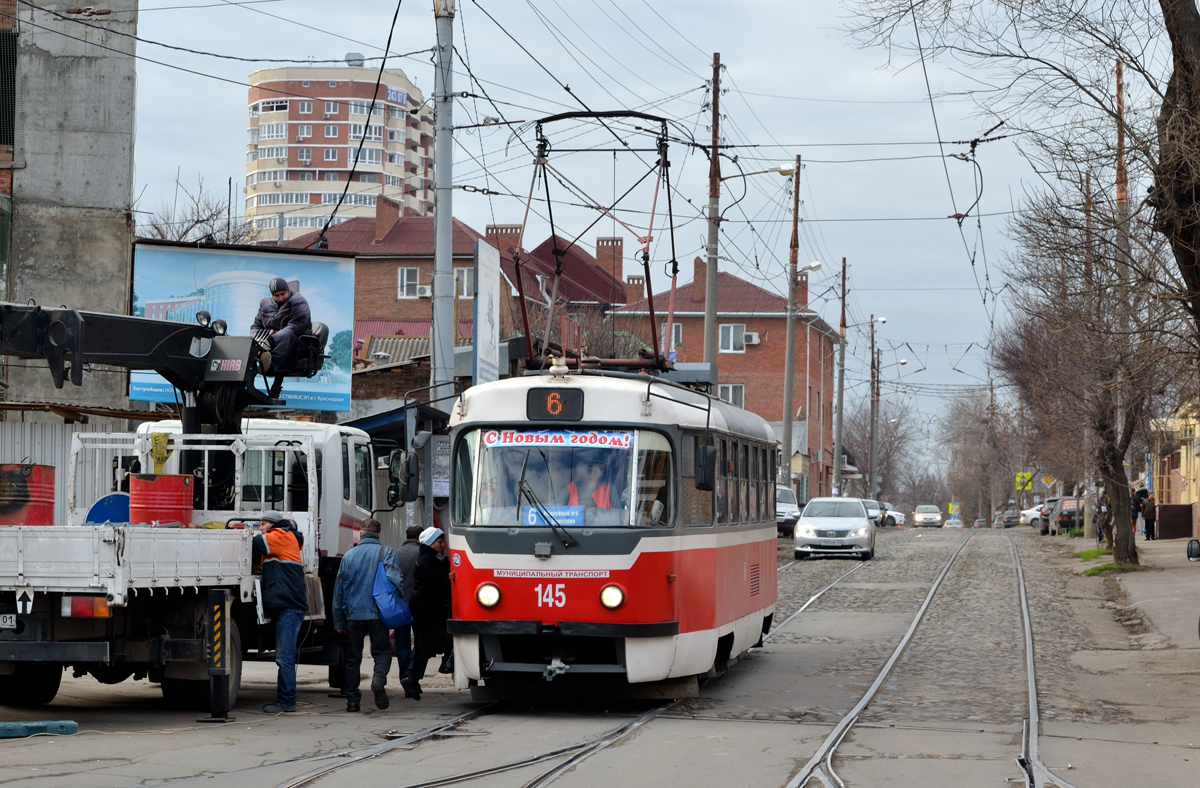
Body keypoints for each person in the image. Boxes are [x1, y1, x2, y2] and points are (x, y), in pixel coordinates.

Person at [332, 517, 403, 712]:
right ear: (379, 534)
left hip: (353, 615)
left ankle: (353, 702)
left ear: (360, 534)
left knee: (353, 659)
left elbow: (339, 591)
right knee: (382, 652)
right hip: (378, 614)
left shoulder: (349, 556)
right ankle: (378, 679)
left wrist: (339, 621)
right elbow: (396, 581)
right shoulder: (385, 552)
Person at [251, 511, 307, 714]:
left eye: (263, 523)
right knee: (285, 656)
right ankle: (286, 699)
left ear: (273, 525)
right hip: (289, 604)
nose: (260, 527)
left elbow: (256, 543)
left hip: (289, 605)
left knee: (285, 657)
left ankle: (287, 700)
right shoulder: (286, 536)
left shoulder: (281, 536)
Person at [402, 526, 451, 700]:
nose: (442, 545)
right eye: (439, 542)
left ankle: (412, 679)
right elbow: (439, 586)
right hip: (428, 610)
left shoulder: (426, 558)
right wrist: (447, 571)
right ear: (431, 543)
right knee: (443, 640)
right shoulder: (429, 561)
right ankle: (446, 663)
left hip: (423, 608)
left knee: (424, 646)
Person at [250, 276, 311, 374]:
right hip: (273, 343)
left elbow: (296, 327)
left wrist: (271, 340)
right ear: (271, 295)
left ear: (288, 291)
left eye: (283, 294)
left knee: (290, 337)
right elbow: (256, 326)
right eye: (276, 295)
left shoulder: (299, 302)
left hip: (300, 343)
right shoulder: (265, 305)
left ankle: (269, 366)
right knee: (250, 342)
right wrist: (256, 339)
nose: (280, 298)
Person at [394, 524, 422, 696]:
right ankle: (413, 676)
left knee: (402, 645)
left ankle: (405, 677)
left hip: (400, 606)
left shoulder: (396, 555)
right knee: (421, 644)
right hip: (420, 606)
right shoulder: (424, 554)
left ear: (406, 537)